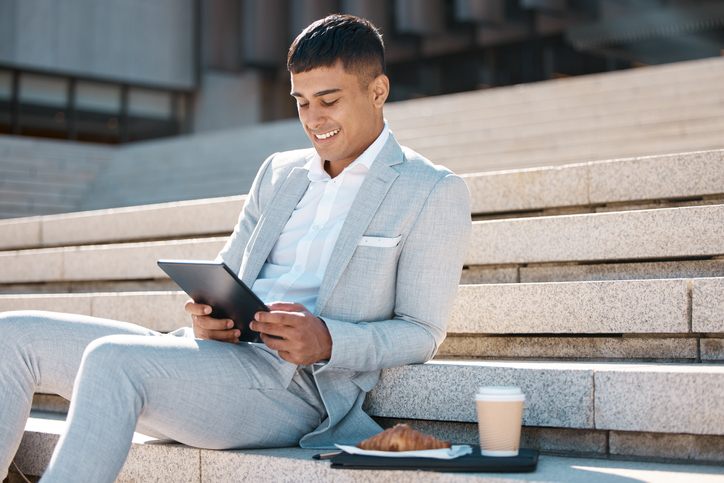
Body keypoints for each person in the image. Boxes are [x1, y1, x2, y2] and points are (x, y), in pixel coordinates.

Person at [0, 14, 470, 483]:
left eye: (329, 101)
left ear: (378, 91)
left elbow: (422, 330)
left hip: (297, 391)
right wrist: (209, 315)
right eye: (302, 102)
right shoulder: (279, 172)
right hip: (212, 360)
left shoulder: (430, 189)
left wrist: (329, 340)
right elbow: (229, 271)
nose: (314, 120)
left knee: (110, 358)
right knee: (12, 335)